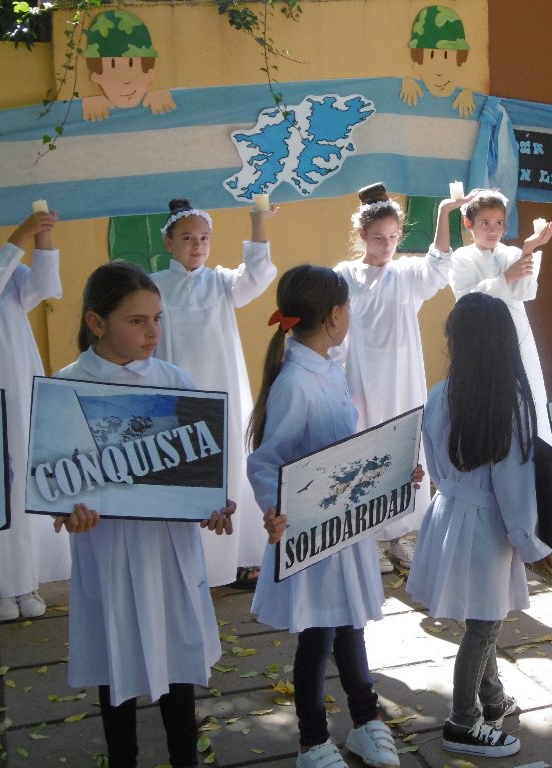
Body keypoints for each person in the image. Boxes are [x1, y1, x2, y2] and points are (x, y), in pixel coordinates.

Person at [54, 262, 234, 768]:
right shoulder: (67, 387)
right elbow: (56, 483)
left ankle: (185, 757)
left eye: (157, 318)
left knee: (176, 653)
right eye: (136, 321)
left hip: (167, 547)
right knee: (117, 657)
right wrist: (70, 513)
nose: (152, 331)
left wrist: (214, 502)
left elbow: (199, 468)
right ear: (96, 322)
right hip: (108, 550)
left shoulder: (174, 379)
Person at [247, 265, 405, 768]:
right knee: (317, 639)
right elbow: (267, 461)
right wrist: (276, 510)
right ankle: (312, 741)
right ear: (336, 316)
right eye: (349, 309)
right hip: (312, 536)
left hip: (344, 527)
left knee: (350, 626)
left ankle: (365, 721)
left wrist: (393, 471)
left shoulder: (326, 366)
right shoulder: (295, 381)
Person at [407, 293, 552, 758]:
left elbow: (432, 461)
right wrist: (532, 545)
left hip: (449, 511)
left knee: (481, 614)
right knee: (485, 625)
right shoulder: (507, 401)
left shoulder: (439, 392)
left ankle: (492, 699)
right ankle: (462, 721)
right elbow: (512, 486)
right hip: (486, 524)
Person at [332, 182, 464, 573]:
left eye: (392, 237)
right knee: (365, 452)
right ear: (361, 236)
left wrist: (444, 214)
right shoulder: (344, 275)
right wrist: (336, 375)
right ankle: (364, 535)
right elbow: (336, 326)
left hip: (402, 378)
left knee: (404, 453)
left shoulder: (405, 274)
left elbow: (438, 265)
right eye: (378, 238)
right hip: (359, 378)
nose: (387, 245)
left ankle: (396, 536)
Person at [152, 198, 277, 590]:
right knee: (183, 465)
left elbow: (257, 276)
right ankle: (189, 559)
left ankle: (238, 559)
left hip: (222, 389)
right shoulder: (154, 285)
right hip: (176, 391)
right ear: (168, 242)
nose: (197, 245)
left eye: (204, 238)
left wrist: (258, 221)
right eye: (187, 238)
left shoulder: (221, 281)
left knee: (228, 465)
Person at [449, 189, 552, 553]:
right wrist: (503, 278)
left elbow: (526, 291)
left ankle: (534, 483)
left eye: (498, 223)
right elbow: (466, 300)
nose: (493, 230)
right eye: (484, 223)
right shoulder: (462, 258)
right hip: (482, 339)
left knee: (529, 404)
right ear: (468, 225)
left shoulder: (512, 252)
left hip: (517, 335)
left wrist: (527, 250)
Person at [0, 196, 69, 622]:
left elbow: (46, 287)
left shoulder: (8, 272)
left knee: (20, 482)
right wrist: (18, 238)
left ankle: (24, 580)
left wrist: (44, 236)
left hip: (18, 392)